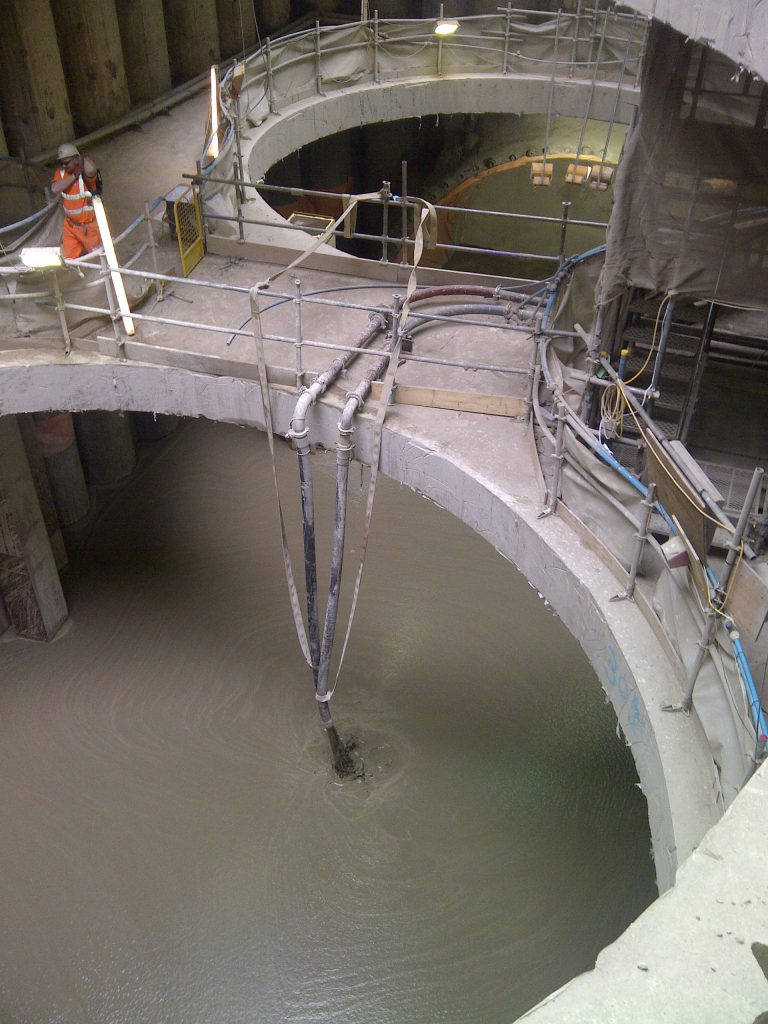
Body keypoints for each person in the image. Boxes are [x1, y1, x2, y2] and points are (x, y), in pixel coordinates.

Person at [51, 142, 102, 259]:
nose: (64, 166)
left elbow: (91, 171)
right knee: (68, 257)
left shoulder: (85, 175)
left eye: (67, 162)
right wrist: (74, 175)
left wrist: (85, 158)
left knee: (98, 256)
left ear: (76, 159)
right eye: (62, 163)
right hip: (70, 227)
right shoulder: (61, 173)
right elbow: (55, 188)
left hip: (89, 227)